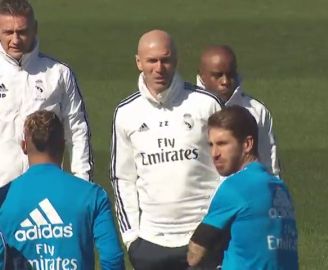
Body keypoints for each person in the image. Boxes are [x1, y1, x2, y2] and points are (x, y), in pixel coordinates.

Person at [110, 29, 223, 270]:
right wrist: (131, 238)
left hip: (204, 238)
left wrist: (216, 228)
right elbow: (122, 178)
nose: (159, 68)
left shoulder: (206, 104)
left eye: (165, 59)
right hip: (151, 243)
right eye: (152, 60)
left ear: (176, 60)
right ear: (139, 62)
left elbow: (227, 171)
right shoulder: (126, 113)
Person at [0, 110, 124, 270]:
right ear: (62, 145)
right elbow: (112, 258)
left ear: (24, 146)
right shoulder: (92, 195)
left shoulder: (4, 198)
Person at [187, 106, 298, 269]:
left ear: (247, 144)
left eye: (222, 144)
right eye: (211, 145)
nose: (215, 153)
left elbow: (195, 254)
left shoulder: (236, 187)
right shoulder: (280, 188)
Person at [0, 0, 93, 187]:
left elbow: (77, 130)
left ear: (34, 28)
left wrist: (82, 183)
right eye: (8, 32)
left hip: (46, 190)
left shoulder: (58, 74)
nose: (16, 40)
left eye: (22, 32)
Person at [197, 45, 280, 176]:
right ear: (202, 76)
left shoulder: (257, 111)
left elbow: (269, 163)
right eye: (217, 75)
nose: (225, 81)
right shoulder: (188, 108)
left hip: (244, 192)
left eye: (230, 74)